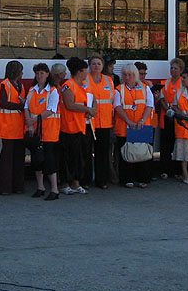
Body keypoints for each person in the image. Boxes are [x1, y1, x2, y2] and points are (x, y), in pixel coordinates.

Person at [114, 63, 153, 188]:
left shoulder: (145, 88)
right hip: (125, 127)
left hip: (142, 126)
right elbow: (117, 107)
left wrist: (142, 120)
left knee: (143, 154)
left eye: (130, 74)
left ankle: (144, 178)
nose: (127, 77)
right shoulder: (119, 89)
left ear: (135, 75)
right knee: (126, 154)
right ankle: (126, 179)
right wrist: (128, 121)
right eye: (125, 74)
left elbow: (149, 105)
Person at [25, 62, 61, 200]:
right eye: (37, 73)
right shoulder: (32, 90)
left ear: (47, 74)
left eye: (42, 73)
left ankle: (54, 189)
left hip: (49, 131)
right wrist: (29, 122)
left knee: (49, 160)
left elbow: (51, 109)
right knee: (36, 160)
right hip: (35, 132)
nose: (39, 76)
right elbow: (26, 106)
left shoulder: (53, 91)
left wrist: (33, 120)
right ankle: (40, 187)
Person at [60, 56, 95, 194]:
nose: (87, 73)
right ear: (79, 72)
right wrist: (87, 109)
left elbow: (93, 99)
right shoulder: (68, 86)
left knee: (80, 156)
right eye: (85, 71)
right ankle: (65, 184)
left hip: (83, 126)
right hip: (70, 127)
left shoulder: (84, 86)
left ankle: (76, 182)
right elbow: (69, 105)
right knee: (69, 157)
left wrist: (93, 110)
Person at [0, 60, 27, 195]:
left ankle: (17, 186)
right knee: (7, 160)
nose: (22, 73)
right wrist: (20, 106)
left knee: (19, 158)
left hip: (19, 128)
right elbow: (3, 103)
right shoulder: (5, 84)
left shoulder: (20, 85)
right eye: (20, 70)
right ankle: (4, 188)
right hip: (7, 127)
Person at [87, 54, 116, 189]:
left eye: (99, 64)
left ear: (103, 66)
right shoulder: (85, 79)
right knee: (86, 152)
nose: (96, 66)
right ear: (89, 65)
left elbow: (113, 99)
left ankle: (102, 180)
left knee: (103, 153)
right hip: (89, 122)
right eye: (93, 63)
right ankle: (85, 180)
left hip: (105, 122)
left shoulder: (109, 80)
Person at [155, 57, 185, 180]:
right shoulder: (166, 82)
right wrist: (166, 109)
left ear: (181, 70)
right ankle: (164, 170)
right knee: (165, 145)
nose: (173, 70)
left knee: (178, 145)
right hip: (166, 116)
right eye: (171, 68)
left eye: (175, 68)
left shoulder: (183, 83)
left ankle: (177, 170)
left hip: (178, 118)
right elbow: (162, 97)